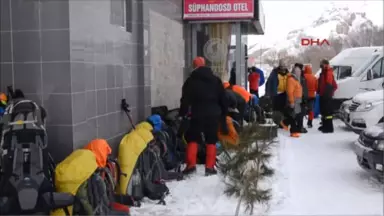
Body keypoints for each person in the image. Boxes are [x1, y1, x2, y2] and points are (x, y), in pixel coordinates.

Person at [179, 56, 228, 176]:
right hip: (213, 113)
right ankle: (210, 167)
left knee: (193, 137)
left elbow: (185, 100)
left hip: (197, 114)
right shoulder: (216, 80)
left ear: (194, 66)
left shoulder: (190, 81)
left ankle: (191, 166)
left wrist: (182, 114)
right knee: (211, 139)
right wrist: (223, 114)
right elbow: (223, 98)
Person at [281, 66, 303, 137]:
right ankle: (293, 131)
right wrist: (292, 101)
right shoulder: (291, 79)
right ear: (294, 72)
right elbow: (290, 92)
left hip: (297, 100)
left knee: (295, 115)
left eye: (299, 71)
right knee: (294, 116)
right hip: (293, 100)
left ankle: (285, 123)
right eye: (297, 71)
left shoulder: (296, 79)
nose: (299, 73)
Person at [317, 59, 338, 133]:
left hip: (326, 96)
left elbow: (329, 85)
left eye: (321, 64)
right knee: (324, 112)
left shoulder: (328, 72)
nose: (320, 65)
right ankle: (325, 125)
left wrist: (327, 94)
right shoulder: (323, 72)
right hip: (323, 95)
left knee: (328, 112)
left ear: (325, 64)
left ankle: (329, 128)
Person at [293, 63, 308, 133]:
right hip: (299, 97)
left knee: (298, 113)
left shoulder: (297, 76)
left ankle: (298, 126)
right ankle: (299, 127)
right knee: (300, 113)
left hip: (298, 97)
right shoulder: (300, 77)